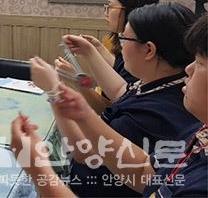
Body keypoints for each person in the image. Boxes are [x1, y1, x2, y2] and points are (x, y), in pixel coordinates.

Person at [11, 14, 207, 197]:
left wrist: (38, 168)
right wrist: (83, 114)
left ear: (149, 49)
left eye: (199, 63)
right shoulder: (198, 131)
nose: (189, 69)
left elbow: (83, 152)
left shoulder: (155, 116)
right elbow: (144, 170)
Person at [55, 0, 159, 111]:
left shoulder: (139, 55)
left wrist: (76, 79)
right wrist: (97, 47)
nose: (106, 12)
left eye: (110, 7)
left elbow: (115, 107)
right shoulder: (127, 44)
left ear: (131, 10)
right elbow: (120, 73)